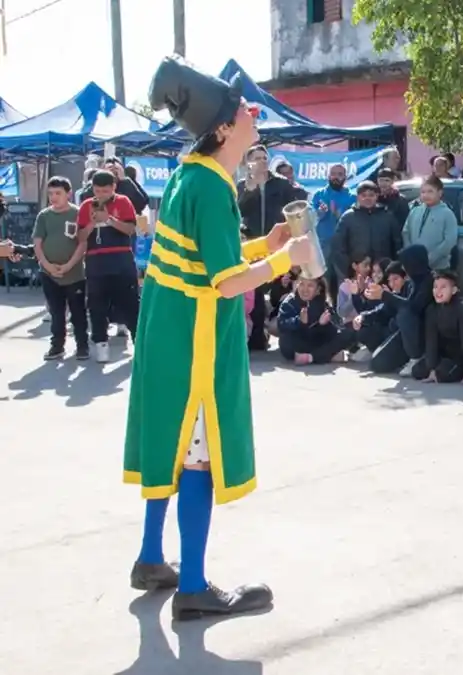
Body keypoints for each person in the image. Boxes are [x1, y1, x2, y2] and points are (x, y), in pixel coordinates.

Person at [126, 55, 316, 619]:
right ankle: (193, 589)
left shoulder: (193, 174)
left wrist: (265, 243)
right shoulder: (211, 188)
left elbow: (214, 258)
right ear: (226, 128)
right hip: (196, 348)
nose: (255, 115)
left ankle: (151, 558)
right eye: (245, 110)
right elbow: (227, 281)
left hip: (168, 339)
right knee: (198, 462)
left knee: (170, 446)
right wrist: (287, 257)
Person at [77, 169, 141, 364]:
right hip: (96, 263)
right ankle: (101, 344)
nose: (101, 195)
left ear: (114, 187)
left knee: (130, 304)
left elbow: (130, 229)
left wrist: (109, 220)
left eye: (105, 191)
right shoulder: (86, 206)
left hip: (121, 261)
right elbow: (79, 237)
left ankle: (139, 343)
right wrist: (92, 224)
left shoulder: (123, 202)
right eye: (97, 191)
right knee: (96, 306)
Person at [32, 176, 89, 360]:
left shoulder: (78, 213)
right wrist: (47, 266)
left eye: (58, 193)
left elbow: (82, 243)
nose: (53, 197)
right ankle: (57, 346)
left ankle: (82, 346)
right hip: (48, 274)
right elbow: (37, 244)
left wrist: (68, 265)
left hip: (74, 273)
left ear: (69, 194)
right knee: (56, 313)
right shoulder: (44, 216)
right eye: (50, 194)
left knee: (78, 313)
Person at [362, 244, 434, 376]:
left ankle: (416, 357)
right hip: (407, 334)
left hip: (427, 334)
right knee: (377, 363)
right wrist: (364, 317)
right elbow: (389, 309)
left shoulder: (430, 281)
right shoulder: (413, 283)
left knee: (404, 314)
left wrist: (385, 295)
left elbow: (413, 308)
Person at [329, 181, 405, 286]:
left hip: (382, 274)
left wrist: (393, 268)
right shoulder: (348, 217)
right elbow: (338, 247)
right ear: (358, 197)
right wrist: (348, 272)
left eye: (371, 195)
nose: (367, 198)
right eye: (363, 195)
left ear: (377, 196)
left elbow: (397, 244)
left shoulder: (387, 217)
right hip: (357, 274)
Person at [414, 270, 463, 385]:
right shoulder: (432, 309)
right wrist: (431, 368)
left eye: (443, 287)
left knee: (442, 373)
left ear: (453, 290)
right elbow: (431, 340)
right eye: (435, 287)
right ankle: (436, 369)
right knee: (417, 371)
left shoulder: (462, 308)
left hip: (459, 356)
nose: (438, 291)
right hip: (443, 354)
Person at [276, 276, 356, 365]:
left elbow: (334, 332)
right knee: (286, 341)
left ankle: (312, 357)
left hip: (317, 342)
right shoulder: (290, 302)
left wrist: (322, 325)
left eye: (310, 286)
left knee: (347, 332)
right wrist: (300, 321)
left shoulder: (323, 303)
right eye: (301, 284)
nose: (305, 289)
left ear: (318, 289)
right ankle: (327, 356)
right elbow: (281, 324)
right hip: (298, 344)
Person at [236, 144, 306, 237]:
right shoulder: (242, 185)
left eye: (264, 158)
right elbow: (240, 211)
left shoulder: (281, 182)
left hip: (276, 239)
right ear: (249, 163)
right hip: (252, 239)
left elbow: (293, 206)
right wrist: (249, 190)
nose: (262, 161)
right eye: (257, 158)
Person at [352, 260, 407, 369]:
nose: (392, 283)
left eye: (396, 279)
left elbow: (407, 308)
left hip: (403, 338)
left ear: (405, 278)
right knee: (364, 329)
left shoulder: (408, 291)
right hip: (388, 333)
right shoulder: (383, 290)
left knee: (378, 365)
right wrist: (362, 316)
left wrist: (386, 296)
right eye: (390, 280)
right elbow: (379, 311)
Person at [403, 176, 459, 272]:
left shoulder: (447, 214)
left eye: (430, 191)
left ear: (440, 193)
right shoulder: (415, 211)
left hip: (438, 268)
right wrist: (410, 255)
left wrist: (429, 259)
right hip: (414, 266)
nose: (426, 195)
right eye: (423, 192)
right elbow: (406, 232)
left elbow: (449, 241)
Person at [309, 163, 356, 252]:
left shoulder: (352, 197)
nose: (336, 177)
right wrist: (319, 213)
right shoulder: (319, 195)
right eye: (333, 174)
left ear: (345, 177)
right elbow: (309, 219)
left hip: (345, 245)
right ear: (328, 176)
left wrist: (341, 215)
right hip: (322, 246)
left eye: (340, 174)